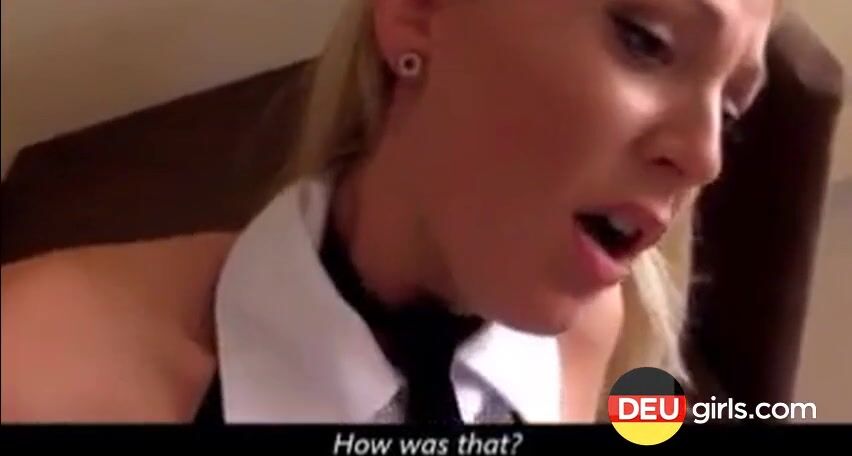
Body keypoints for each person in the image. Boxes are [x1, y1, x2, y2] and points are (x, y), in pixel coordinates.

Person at [1, 0, 778, 424]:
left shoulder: (591, 331)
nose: (706, 157)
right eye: (645, 40)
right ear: (418, 10)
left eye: (731, 110)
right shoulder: (35, 367)